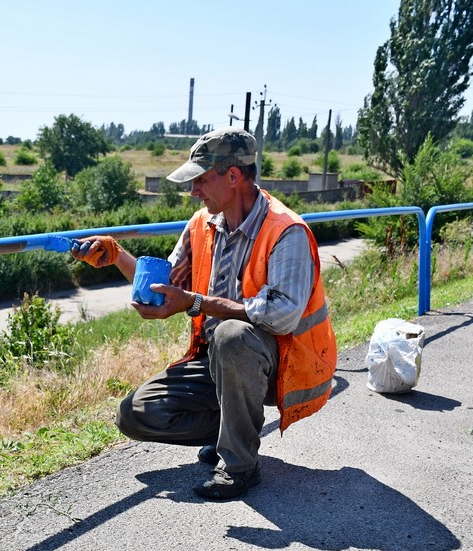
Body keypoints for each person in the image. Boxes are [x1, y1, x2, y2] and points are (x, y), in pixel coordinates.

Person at [70, 127, 337, 500]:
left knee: (231, 335)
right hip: (219, 361)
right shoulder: (202, 224)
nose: (194, 190)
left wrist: (195, 303)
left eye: (201, 179)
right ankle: (230, 430)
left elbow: (281, 317)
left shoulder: (286, 230)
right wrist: (115, 255)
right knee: (134, 414)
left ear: (234, 176)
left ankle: (240, 466)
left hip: (283, 363)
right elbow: (166, 284)